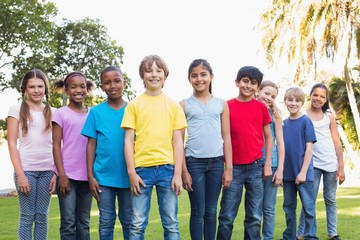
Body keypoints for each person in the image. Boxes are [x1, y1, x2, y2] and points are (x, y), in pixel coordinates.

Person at [121, 54, 187, 240]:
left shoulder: (174, 106)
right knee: (137, 223)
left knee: (171, 224)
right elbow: (128, 140)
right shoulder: (134, 105)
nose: (154, 74)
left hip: (168, 169)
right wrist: (131, 173)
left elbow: (178, 142)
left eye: (159, 70)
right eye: (149, 70)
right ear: (142, 75)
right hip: (141, 171)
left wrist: (177, 174)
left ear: (165, 75)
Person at [217, 66, 273, 240]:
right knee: (226, 216)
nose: (248, 85)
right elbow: (222, 137)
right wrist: (227, 167)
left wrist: (268, 164)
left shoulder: (261, 108)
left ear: (258, 87)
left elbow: (269, 138)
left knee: (254, 217)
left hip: (256, 167)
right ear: (237, 82)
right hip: (233, 168)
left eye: (253, 83)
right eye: (245, 81)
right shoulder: (226, 106)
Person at [180, 59, 233, 240]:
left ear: (211, 77)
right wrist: (183, 171)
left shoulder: (221, 103)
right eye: (194, 75)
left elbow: (226, 136)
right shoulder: (183, 105)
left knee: (211, 211)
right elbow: (178, 141)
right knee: (198, 211)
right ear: (189, 79)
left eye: (203, 74)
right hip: (194, 162)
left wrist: (229, 168)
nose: (199, 79)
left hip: (217, 162)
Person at [81, 66, 132, 239]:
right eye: (107, 82)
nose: (113, 86)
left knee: (130, 221)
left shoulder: (134, 110)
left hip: (129, 177)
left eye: (117, 81)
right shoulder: (95, 112)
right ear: (102, 86)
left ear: (124, 82)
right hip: (103, 178)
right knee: (106, 221)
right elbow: (90, 145)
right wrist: (90, 176)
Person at [7, 69, 56, 240]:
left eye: (40, 86)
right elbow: (12, 143)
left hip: (48, 172)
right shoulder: (15, 110)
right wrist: (20, 174)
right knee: (27, 216)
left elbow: (59, 145)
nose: (36, 90)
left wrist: (56, 172)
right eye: (32, 86)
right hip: (26, 170)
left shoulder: (54, 112)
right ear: (25, 89)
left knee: (42, 216)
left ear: (45, 88)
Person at [297, 83, 345, 240]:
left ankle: (332, 233)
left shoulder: (329, 115)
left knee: (330, 199)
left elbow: (337, 141)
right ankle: (300, 234)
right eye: (315, 95)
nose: (318, 98)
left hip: (331, 163)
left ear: (326, 99)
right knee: (308, 200)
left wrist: (341, 167)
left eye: (322, 96)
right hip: (312, 165)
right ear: (310, 95)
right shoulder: (302, 115)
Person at [52, 71, 94, 239]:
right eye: (73, 87)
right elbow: (55, 145)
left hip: (88, 176)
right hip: (67, 176)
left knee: (84, 223)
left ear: (87, 89)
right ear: (66, 90)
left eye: (82, 86)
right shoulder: (61, 113)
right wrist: (61, 175)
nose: (78, 90)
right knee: (68, 223)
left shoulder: (93, 113)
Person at [282, 87, 318, 240]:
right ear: (285, 101)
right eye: (290, 100)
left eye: (297, 100)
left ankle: (310, 236)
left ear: (302, 103)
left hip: (304, 174)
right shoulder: (283, 124)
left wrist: (303, 172)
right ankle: (289, 236)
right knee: (289, 208)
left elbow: (309, 149)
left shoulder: (306, 121)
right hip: (288, 175)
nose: (293, 103)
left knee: (308, 208)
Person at [256, 80, 285, 240]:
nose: (269, 98)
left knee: (268, 208)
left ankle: (267, 238)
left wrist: (280, 169)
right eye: (266, 93)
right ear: (258, 91)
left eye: (273, 96)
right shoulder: (250, 110)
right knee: (254, 208)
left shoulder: (275, 116)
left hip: (272, 164)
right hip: (252, 165)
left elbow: (280, 143)